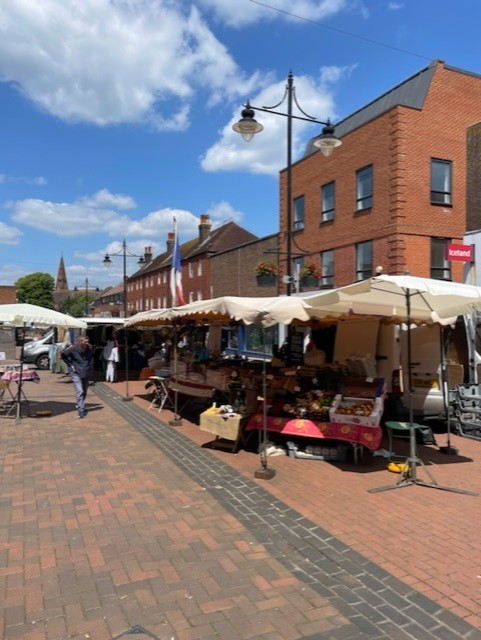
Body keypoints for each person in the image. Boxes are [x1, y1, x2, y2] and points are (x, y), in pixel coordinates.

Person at [61, 335, 94, 419]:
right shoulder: (73, 349)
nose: (87, 343)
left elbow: (91, 358)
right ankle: (81, 410)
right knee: (79, 391)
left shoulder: (90, 348)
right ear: (80, 342)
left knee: (84, 391)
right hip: (75, 372)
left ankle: (79, 404)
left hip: (85, 371)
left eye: (87, 341)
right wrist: (70, 364)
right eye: (85, 342)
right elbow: (63, 355)